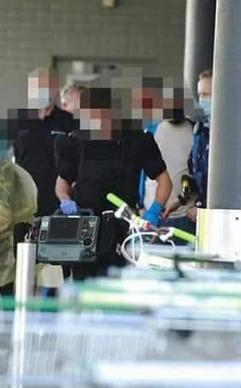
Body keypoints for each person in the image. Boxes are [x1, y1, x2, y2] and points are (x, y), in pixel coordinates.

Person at [55, 86, 172, 277]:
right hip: (85, 225)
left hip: (122, 228)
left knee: (116, 282)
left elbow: (164, 180)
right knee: (82, 284)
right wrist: (66, 201)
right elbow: (62, 183)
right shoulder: (76, 141)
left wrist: (154, 212)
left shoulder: (137, 140)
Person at [11, 67, 75, 217]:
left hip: (58, 204)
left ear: (56, 89)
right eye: (38, 87)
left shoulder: (70, 122)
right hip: (23, 204)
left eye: (47, 86)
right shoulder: (17, 121)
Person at [142, 86, 196, 234]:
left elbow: (200, 174)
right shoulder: (151, 131)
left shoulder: (196, 131)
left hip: (185, 214)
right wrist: (140, 205)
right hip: (151, 213)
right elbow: (142, 171)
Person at [187, 69, 213, 220]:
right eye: (200, 95)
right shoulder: (200, 130)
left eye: (206, 95)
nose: (202, 101)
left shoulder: (229, 135)